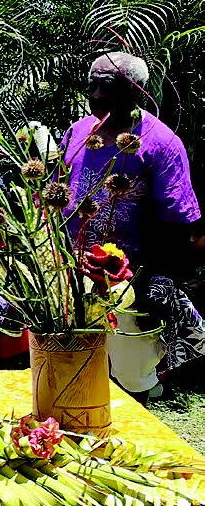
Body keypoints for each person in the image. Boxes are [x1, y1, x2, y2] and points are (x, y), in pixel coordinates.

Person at [61, 51, 204, 400]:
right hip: (71, 264)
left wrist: (162, 277)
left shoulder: (162, 142)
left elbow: (177, 217)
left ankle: (145, 386)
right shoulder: (78, 131)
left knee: (132, 372)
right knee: (71, 356)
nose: (95, 95)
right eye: (92, 84)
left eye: (106, 87)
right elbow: (58, 190)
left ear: (136, 90)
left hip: (130, 273)